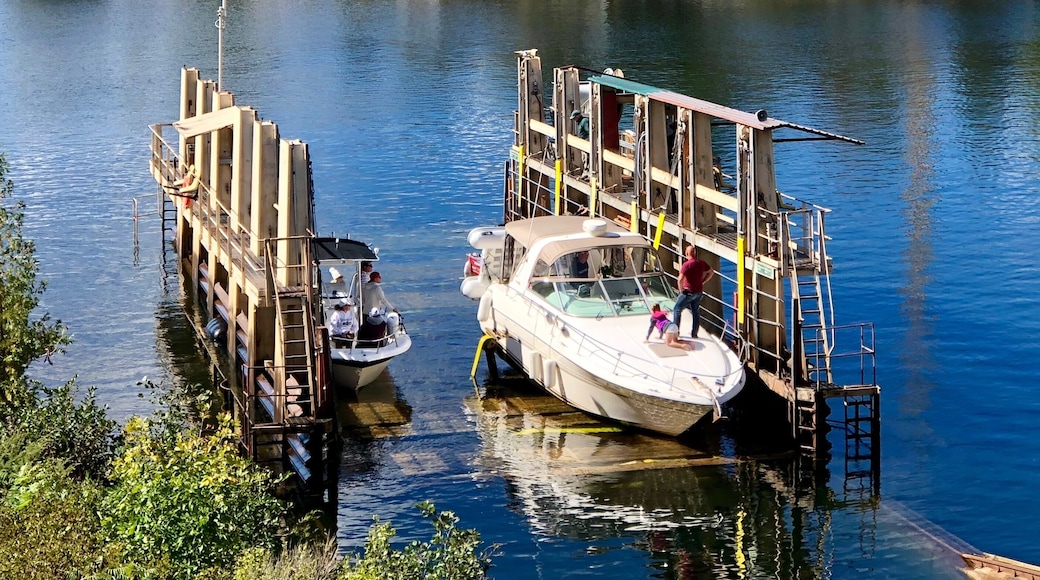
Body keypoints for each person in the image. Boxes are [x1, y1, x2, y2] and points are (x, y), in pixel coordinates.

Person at [673, 245, 714, 339]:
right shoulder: (701, 263)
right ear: (694, 253)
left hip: (688, 291)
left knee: (677, 309)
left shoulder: (686, 265)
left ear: (686, 253)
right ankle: (694, 334)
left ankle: (675, 332)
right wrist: (703, 281)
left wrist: (681, 291)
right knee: (695, 312)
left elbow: (680, 279)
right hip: (698, 292)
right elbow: (711, 272)